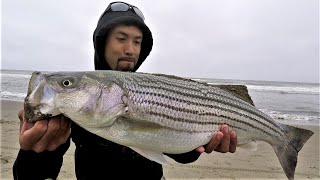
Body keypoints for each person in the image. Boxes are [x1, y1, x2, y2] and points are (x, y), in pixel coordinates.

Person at [13, 1, 237, 180]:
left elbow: (177, 151)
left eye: (138, 42)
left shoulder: (153, 91)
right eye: (121, 39)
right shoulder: (75, 103)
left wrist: (200, 144)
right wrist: (35, 154)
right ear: (102, 43)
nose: (130, 50)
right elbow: (33, 176)